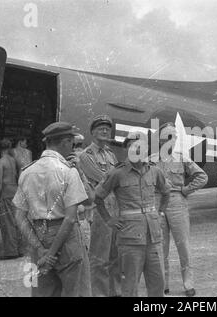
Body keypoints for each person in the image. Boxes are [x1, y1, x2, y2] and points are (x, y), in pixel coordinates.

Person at [13, 122, 91, 297]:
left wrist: (41, 251)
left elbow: (19, 216)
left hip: (37, 236)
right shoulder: (69, 171)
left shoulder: (27, 172)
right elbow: (70, 218)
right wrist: (52, 253)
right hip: (66, 236)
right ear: (64, 142)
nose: (72, 147)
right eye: (71, 142)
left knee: (42, 291)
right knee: (76, 291)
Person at [94, 132, 170, 297]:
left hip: (153, 238)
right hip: (129, 239)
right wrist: (109, 220)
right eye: (131, 146)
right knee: (129, 286)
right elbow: (98, 197)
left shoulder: (155, 171)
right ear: (126, 149)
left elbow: (166, 192)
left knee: (158, 284)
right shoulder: (117, 173)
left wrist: (161, 212)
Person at [150, 122, 208, 297]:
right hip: (157, 201)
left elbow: (202, 176)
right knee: (160, 246)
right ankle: (163, 284)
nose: (168, 141)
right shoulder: (151, 160)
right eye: (165, 138)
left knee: (183, 244)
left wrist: (186, 189)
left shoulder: (182, 158)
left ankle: (188, 284)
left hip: (176, 201)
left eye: (172, 137)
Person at [78, 115, 121, 297]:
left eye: (107, 128)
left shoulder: (110, 154)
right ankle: (100, 294)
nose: (105, 131)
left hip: (115, 207)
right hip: (100, 209)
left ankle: (115, 291)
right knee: (99, 257)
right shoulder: (85, 155)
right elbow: (105, 179)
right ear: (92, 132)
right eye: (101, 128)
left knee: (116, 255)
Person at [0, 138, 22, 260]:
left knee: (7, 223)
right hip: (15, 191)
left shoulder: (1, 162)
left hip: (6, 193)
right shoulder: (13, 160)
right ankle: (18, 249)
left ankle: (10, 252)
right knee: (16, 222)